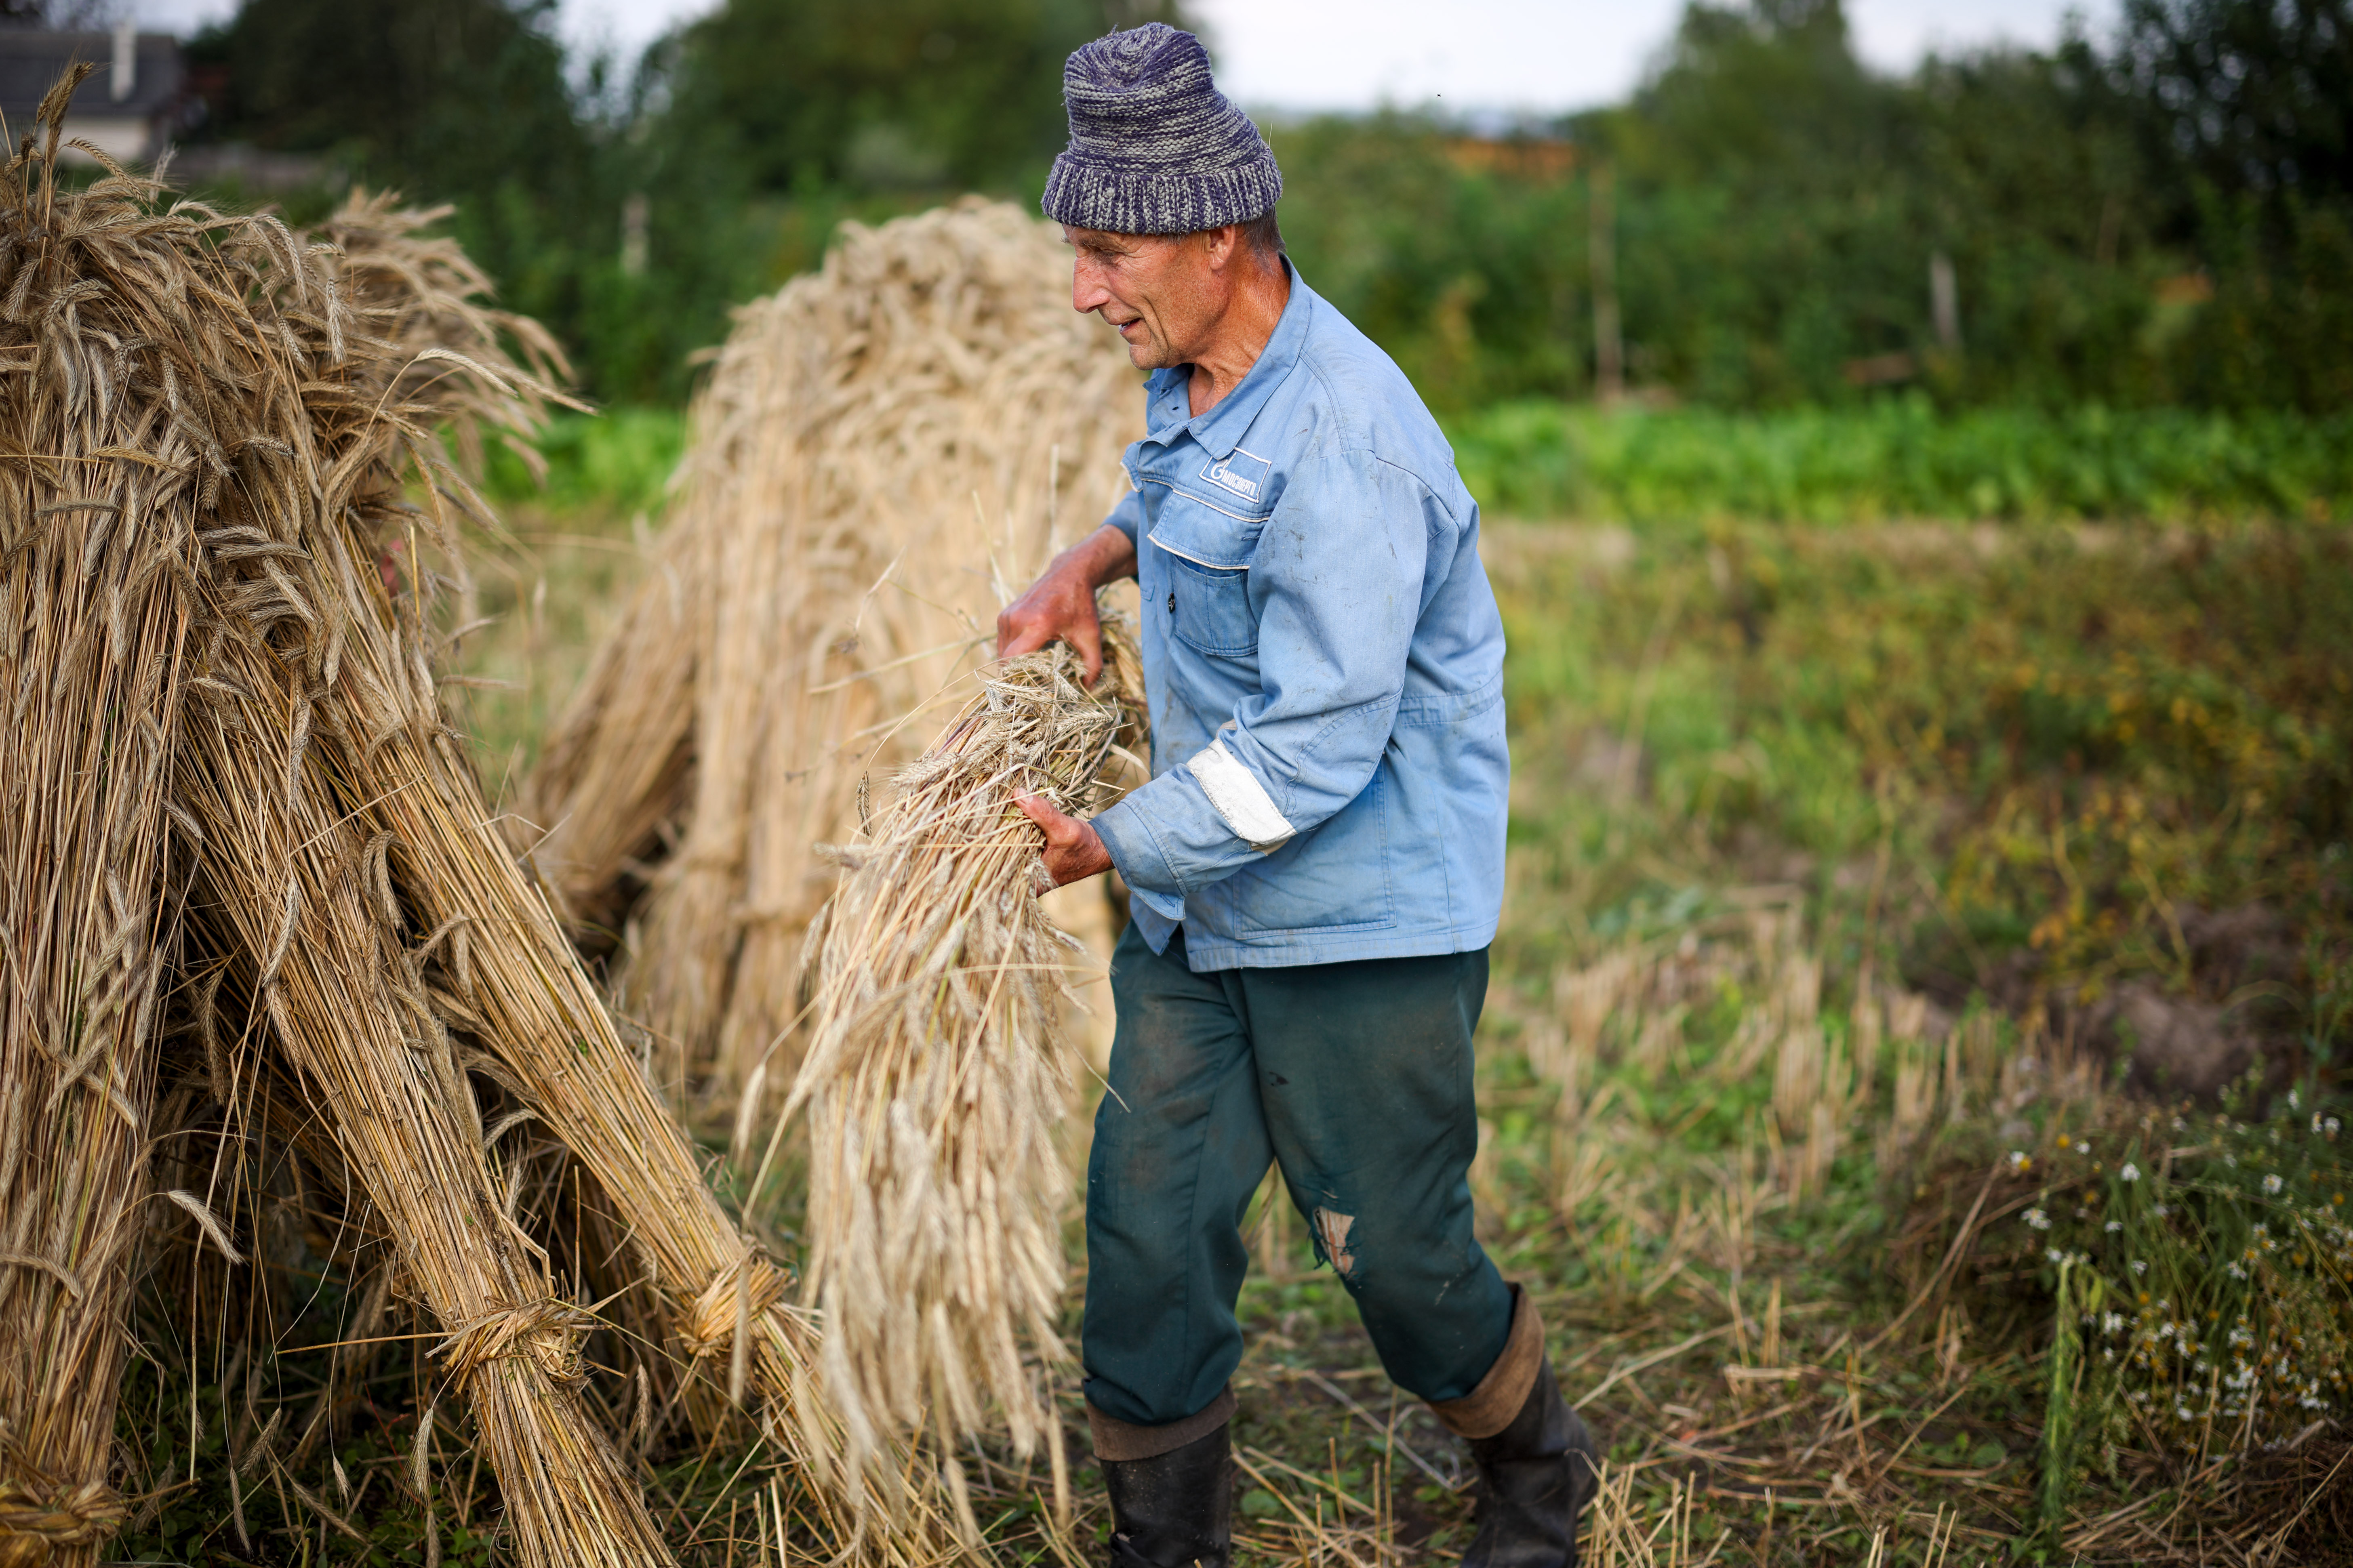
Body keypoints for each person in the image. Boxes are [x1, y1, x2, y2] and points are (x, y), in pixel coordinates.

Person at [996, 23, 1598, 1568]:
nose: (1084, 291)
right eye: (1078, 252)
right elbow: (1183, 499)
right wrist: (1091, 558)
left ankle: (1538, 1471)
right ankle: (1165, 1546)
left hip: (1359, 927)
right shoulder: (1200, 371)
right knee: (1146, 1233)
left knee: (1396, 1256)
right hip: (1202, 911)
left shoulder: (1348, 435)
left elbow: (1318, 748)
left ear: (1219, 236)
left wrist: (1111, 840)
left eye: (1108, 253)